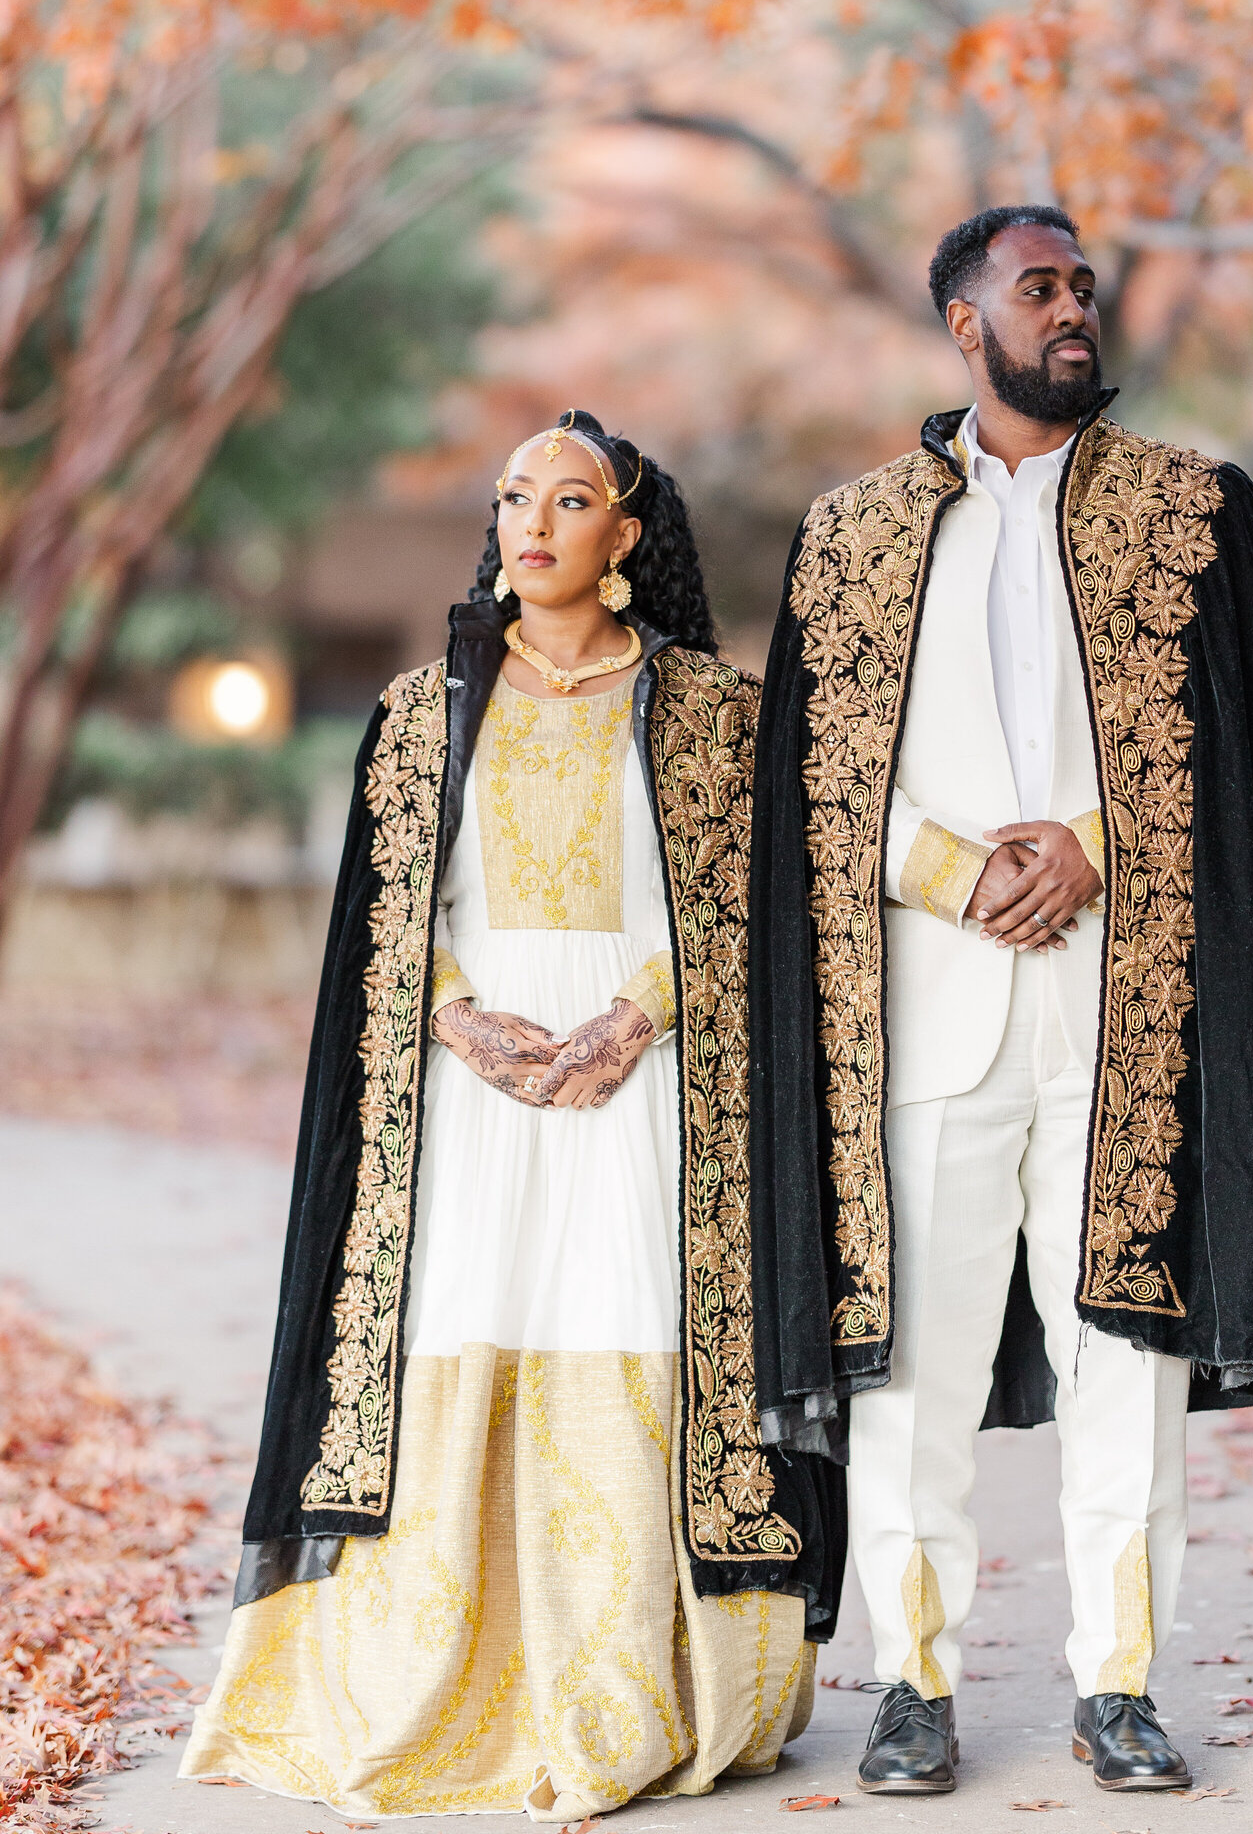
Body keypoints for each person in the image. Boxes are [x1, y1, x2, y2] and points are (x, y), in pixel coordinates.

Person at [183, 410, 844, 1823]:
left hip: (645, 1083)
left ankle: (626, 1692)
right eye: (511, 498)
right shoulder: (425, 709)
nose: (531, 521)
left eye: (570, 498)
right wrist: (456, 1013)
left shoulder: (712, 711)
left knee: (625, 1322)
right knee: (466, 1322)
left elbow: (756, 914)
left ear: (626, 535)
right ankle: (430, 1677)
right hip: (473, 1092)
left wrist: (640, 1013)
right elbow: (383, 915)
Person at [748, 207, 1253, 1800]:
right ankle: (915, 1684)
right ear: (964, 323)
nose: (1074, 309)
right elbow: (799, 788)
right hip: (925, 1020)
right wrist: (947, 869)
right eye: (1039, 288)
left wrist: (1085, 845)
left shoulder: (1200, 513)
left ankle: (1122, 1686)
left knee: (1125, 1366)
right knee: (913, 1379)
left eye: (1081, 287)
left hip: (1127, 1016)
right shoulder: (853, 535)